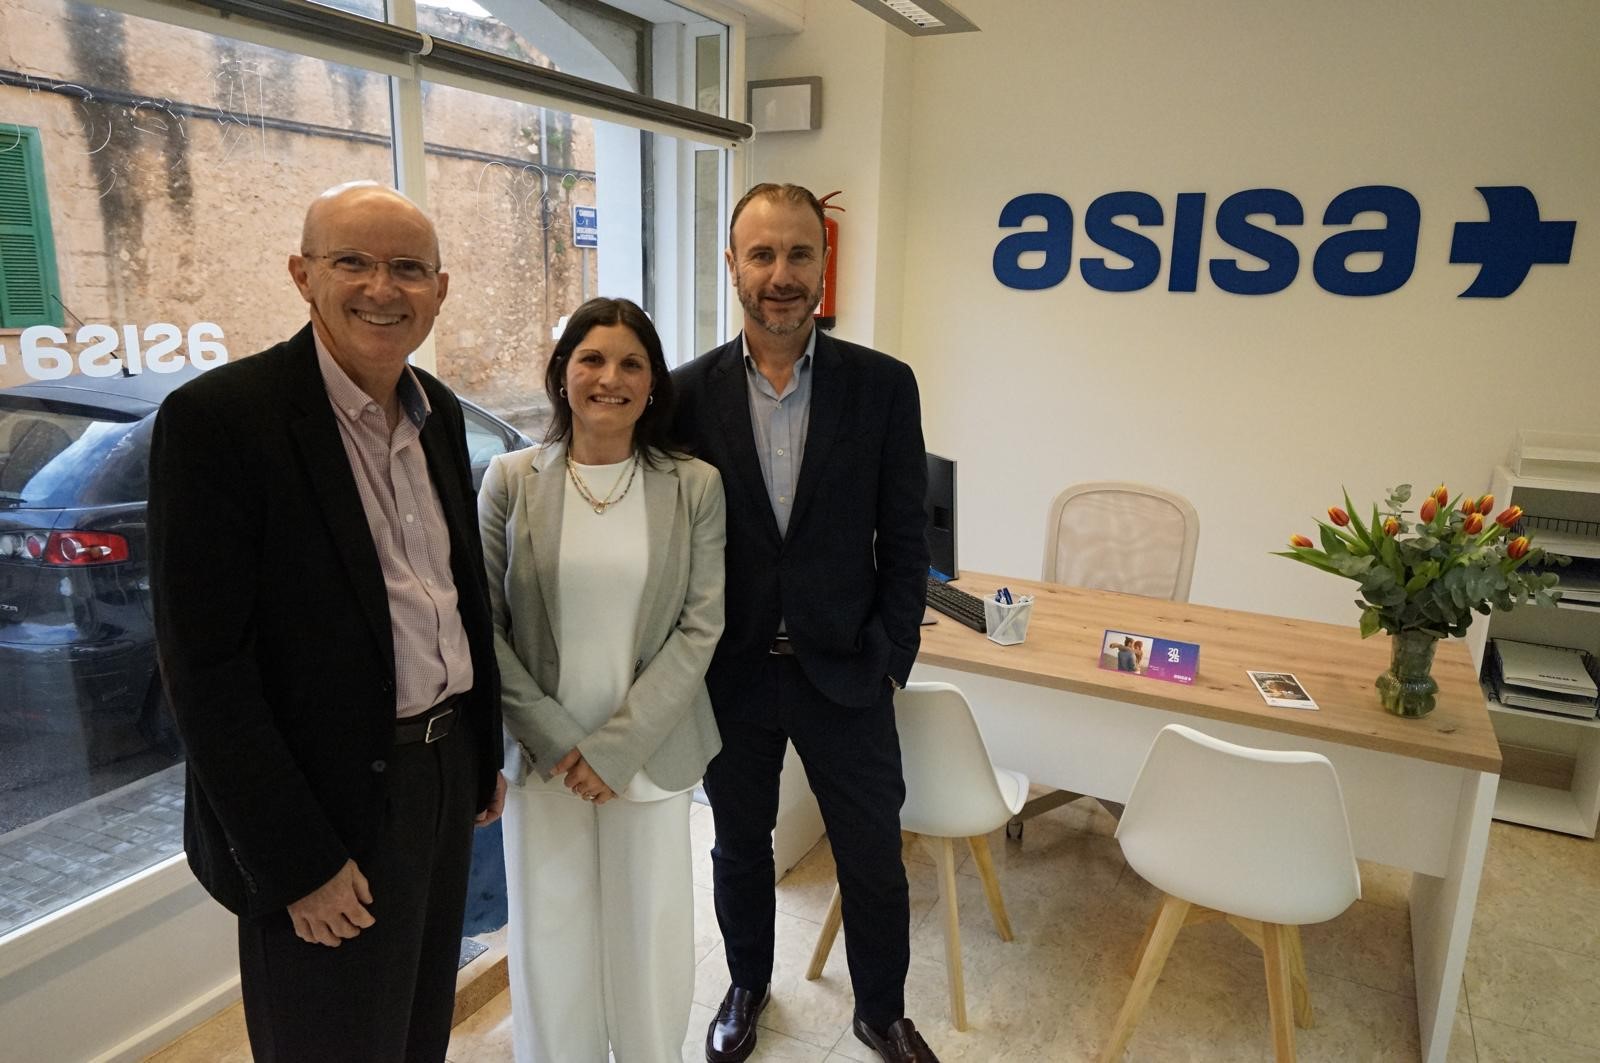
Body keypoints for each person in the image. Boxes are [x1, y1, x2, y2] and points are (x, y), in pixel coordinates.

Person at [148, 181, 505, 1063]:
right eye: (353, 262)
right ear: (302, 274)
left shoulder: (438, 412)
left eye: (408, 268)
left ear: (440, 289)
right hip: (325, 804)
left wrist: (480, 749)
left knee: (417, 1028)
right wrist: (296, 860)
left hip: (441, 775)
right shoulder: (220, 421)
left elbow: (452, 594)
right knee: (330, 1040)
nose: (383, 288)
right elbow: (206, 671)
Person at [673, 183, 939, 1063]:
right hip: (734, 673)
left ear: (824, 265)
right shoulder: (684, 394)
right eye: (762, 254)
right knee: (739, 847)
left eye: (798, 254)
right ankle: (746, 985)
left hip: (849, 668)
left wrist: (893, 656)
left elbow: (907, 537)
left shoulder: (883, 385)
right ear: (733, 265)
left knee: (872, 855)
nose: (780, 274)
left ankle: (882, 1010)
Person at [479, 297, 726, 1063]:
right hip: (544, 764)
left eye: (630, 363)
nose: (609, 377)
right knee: (551, 938)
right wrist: (560, 742)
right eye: (591, 358)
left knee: (648, 935)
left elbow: (700, 626)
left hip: (649, 756)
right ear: (562, 374)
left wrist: (613, 750)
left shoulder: (694, 486)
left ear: (653, 384)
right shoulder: (510, 480)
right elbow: (481, 626)